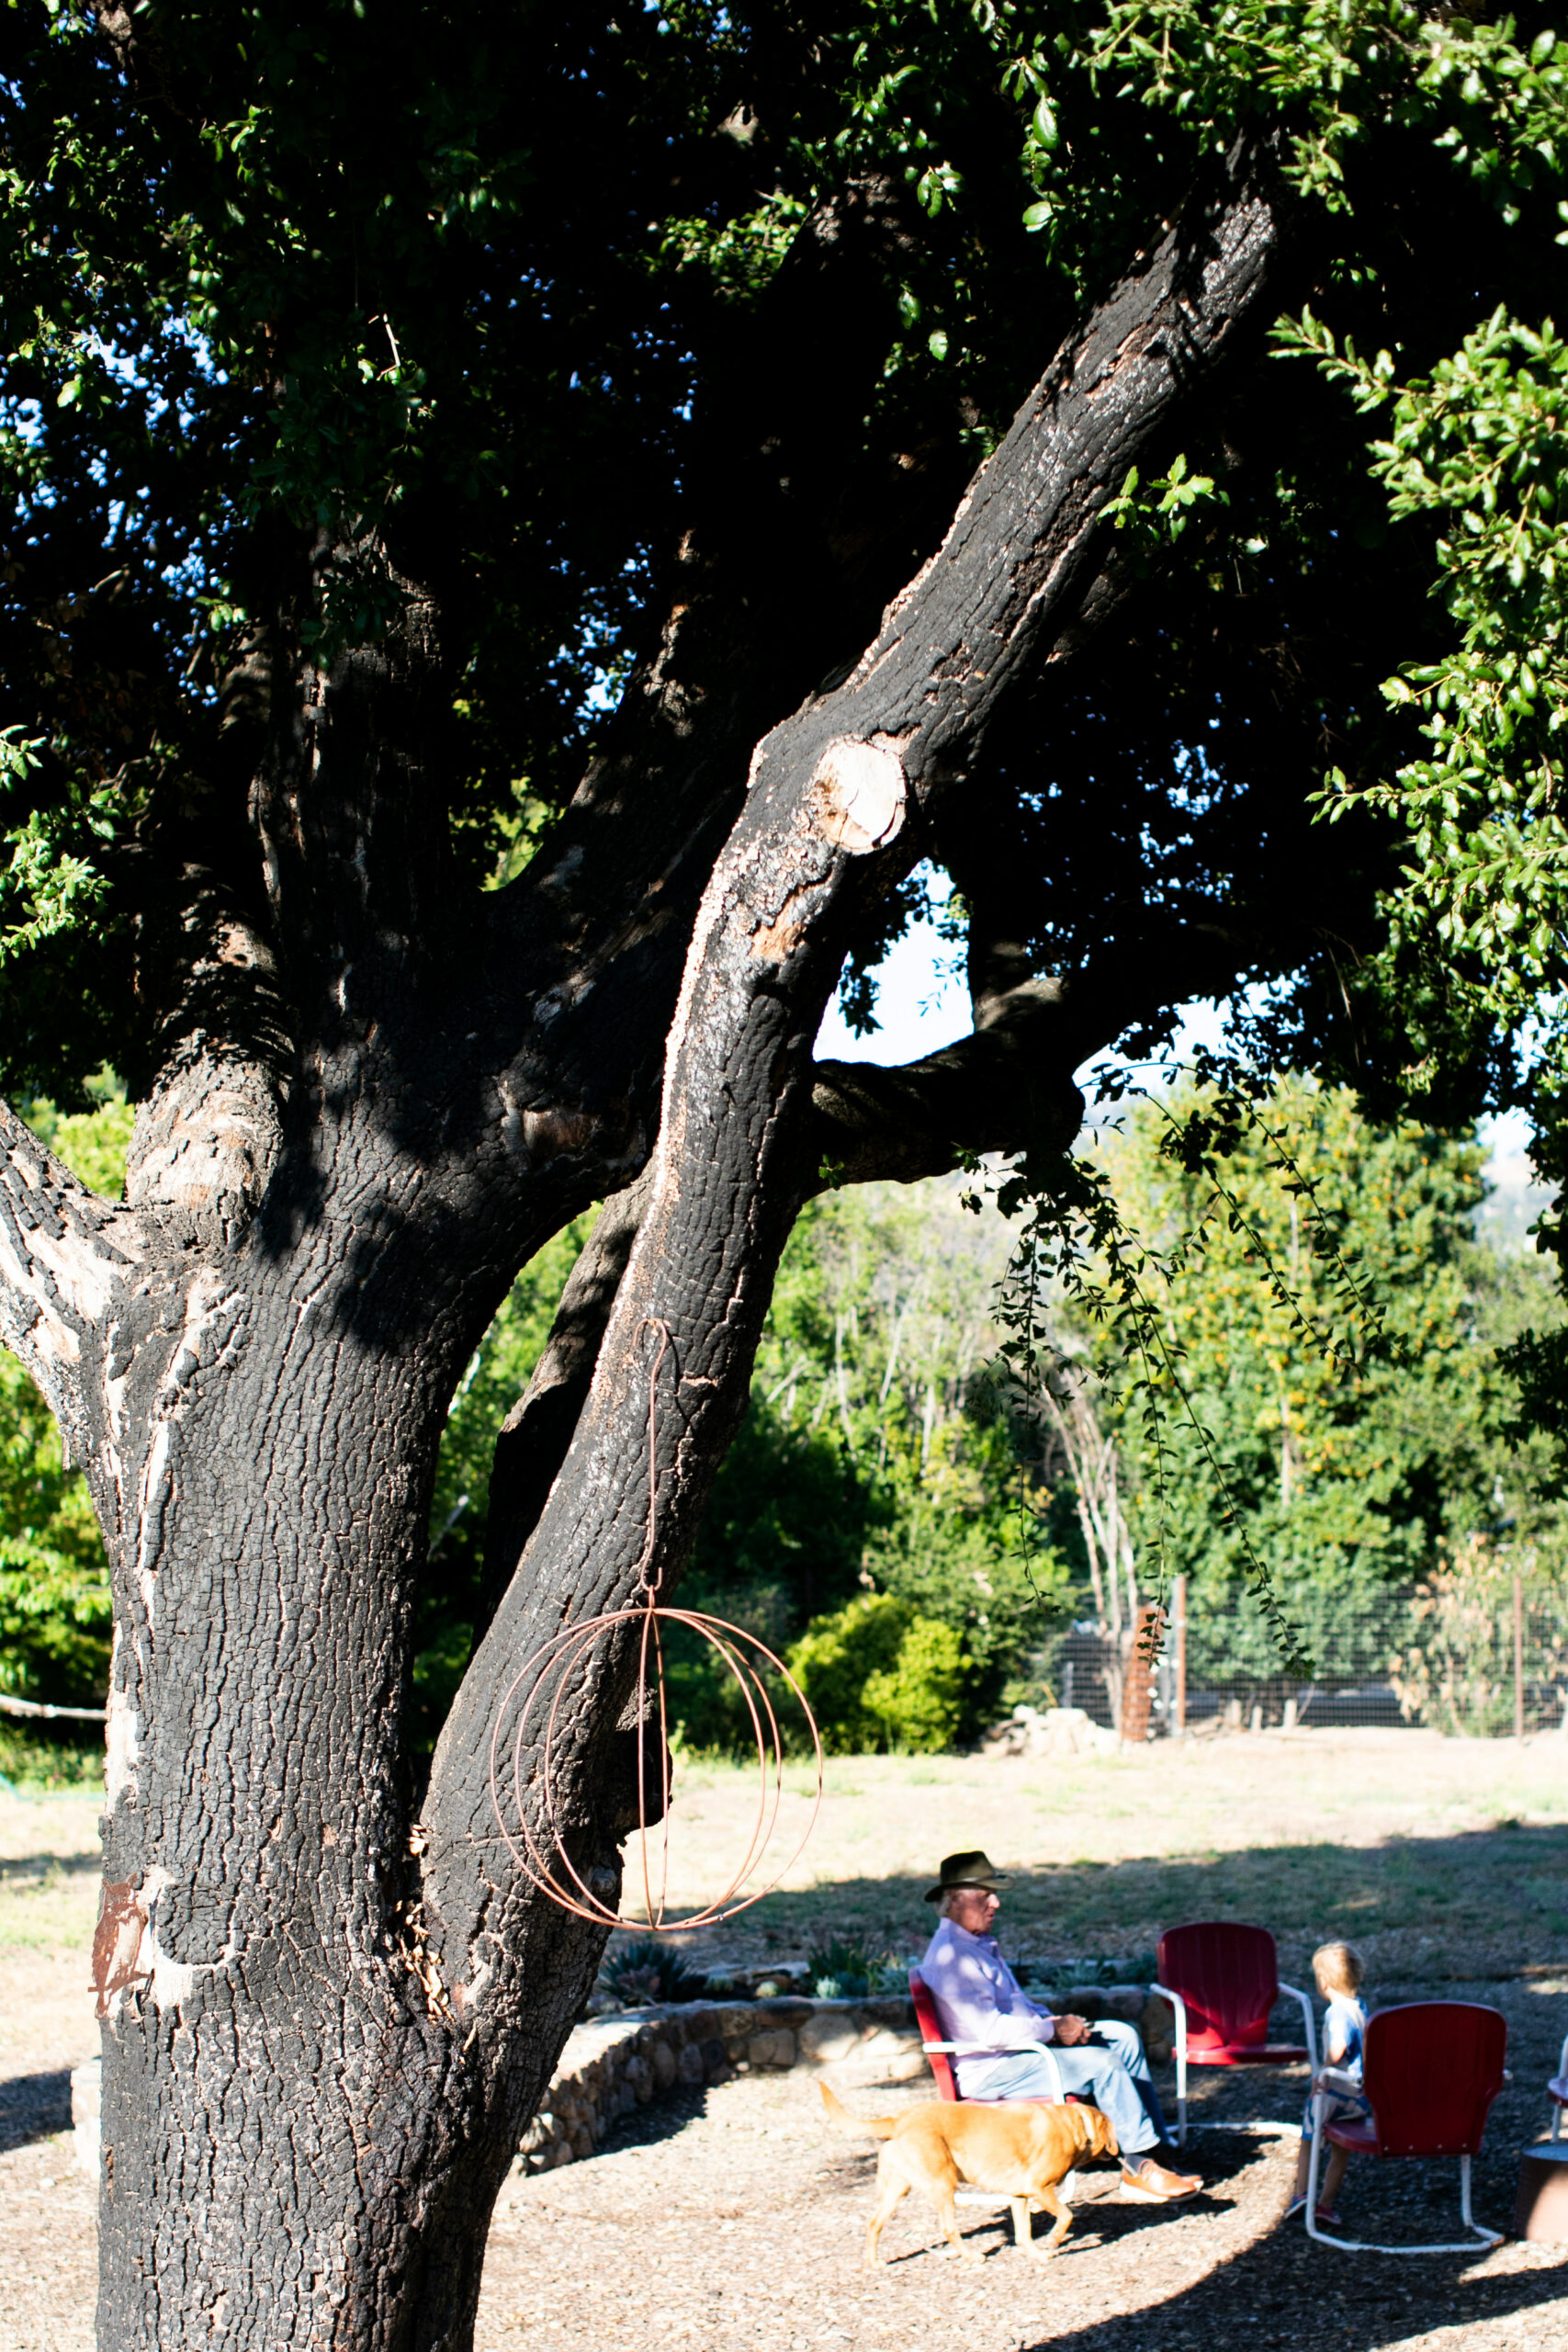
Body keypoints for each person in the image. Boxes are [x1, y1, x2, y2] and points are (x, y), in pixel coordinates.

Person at [919, 1850, 1201, 2202]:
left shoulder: (975, 1944)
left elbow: (1018, 2007)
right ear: (955, 1900)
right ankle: (1137, 2167)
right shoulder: (952, 1956)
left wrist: (1057, 2023)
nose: (996, 1902)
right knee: (1103, 2063)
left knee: (1122, 2036)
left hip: (1019, 2053)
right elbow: (990, 2033)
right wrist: (1053, 2031)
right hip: (994, 2069)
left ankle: (1155, 2147)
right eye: (984, 1894)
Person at [1285, 1940, 1370, 2226]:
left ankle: (1302, 2194)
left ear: (1324, 1982)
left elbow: (1338, 2048)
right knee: (1340, 2149)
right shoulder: (1360, 2008)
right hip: (1357, 2095)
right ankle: (1326, 2202)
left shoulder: (1337, 2013)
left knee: (1309, 2141)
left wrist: (1322, 2072)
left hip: (1333, 2091)